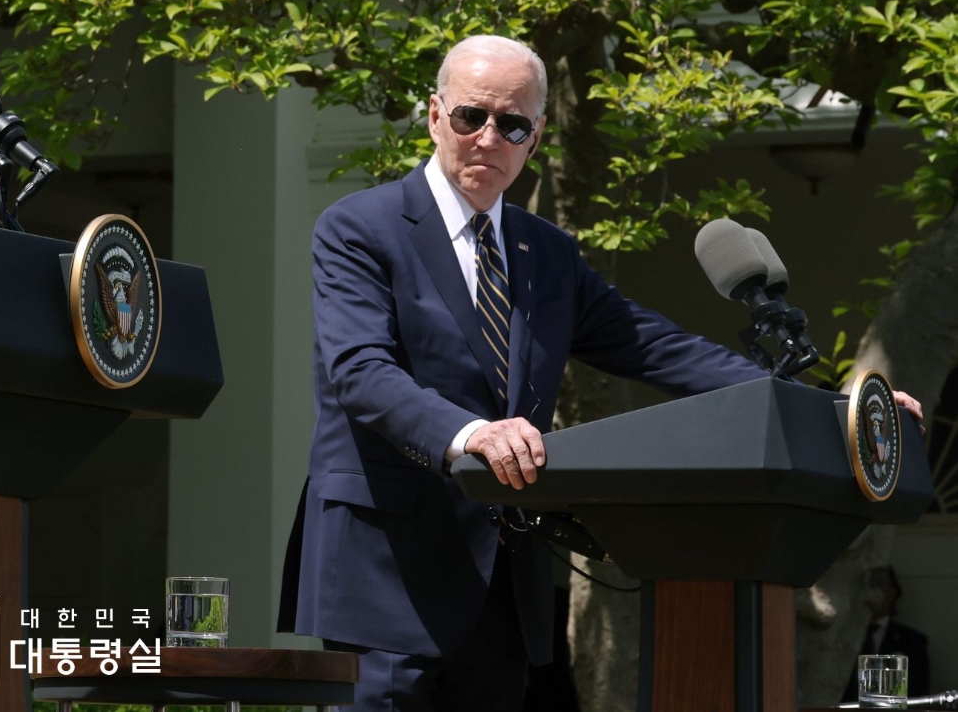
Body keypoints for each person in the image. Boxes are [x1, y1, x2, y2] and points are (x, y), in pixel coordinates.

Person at [276, 35, 925, 712]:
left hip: (500, 585)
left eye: (513, 124)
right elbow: (360, 372)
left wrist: (834, 411)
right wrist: (470, 434)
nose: (488, 138)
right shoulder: (360, 228)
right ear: (436, 114)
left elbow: (658, 347)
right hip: (385, 573)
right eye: (471, 116)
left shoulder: (545, 252)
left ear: (537, 136)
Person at [841, 566, 932, 700]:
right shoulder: (841, 637)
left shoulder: (912, 641)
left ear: (893, 593)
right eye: (868, 587)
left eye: (881, 587)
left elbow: (918, 693)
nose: (873, 594)